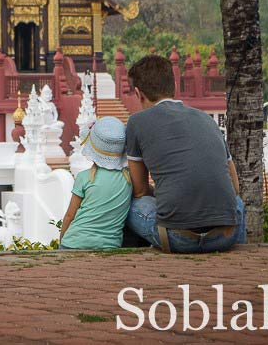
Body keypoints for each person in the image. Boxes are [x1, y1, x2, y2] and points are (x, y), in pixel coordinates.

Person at [124, 55, 245, 253]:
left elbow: (140, 192)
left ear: (139, 94)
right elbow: (235, 188)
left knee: (128, 204)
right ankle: (239, 259)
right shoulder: (206, 119)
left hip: (178, 239)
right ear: (174, 87)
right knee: (236, 202)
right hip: (226, 237)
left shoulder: (136, 122)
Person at [59, 116, 132, 249]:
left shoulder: (84, 177)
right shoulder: (129, 180)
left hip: (73, 243)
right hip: (109, 246)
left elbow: (70, 215)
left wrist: (61, 240)